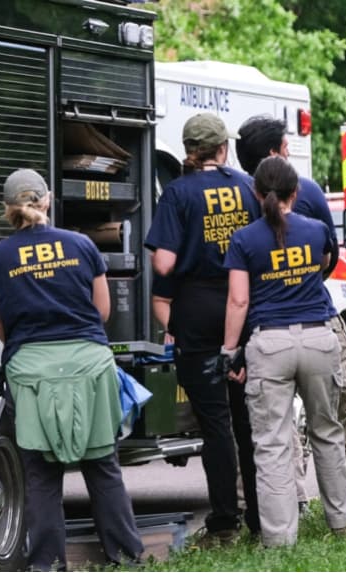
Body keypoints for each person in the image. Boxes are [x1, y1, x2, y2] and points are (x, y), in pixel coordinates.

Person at [0, 169, 143, 570]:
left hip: (32, 372)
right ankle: (125, 557)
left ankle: (47, 564)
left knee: (40, 473)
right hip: (88, 365)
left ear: (8, 208)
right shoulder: (82, 245)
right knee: (102, 465)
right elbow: (102, 311)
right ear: (47, 201)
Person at [236, 115, 346, 514]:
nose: (290, 151)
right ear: (273, 155)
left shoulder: (237, 198)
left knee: (269, 425)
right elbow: (327, 258)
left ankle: (284, 508)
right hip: (318, 320)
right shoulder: (308, 193)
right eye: (285, 146)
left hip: (260, 328)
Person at [222, 156, 346, 547]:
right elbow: (324, 265)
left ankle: (280, 538)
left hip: (270, 345)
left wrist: (230, 351)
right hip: (318, 338)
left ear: (256, 193)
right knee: (327, 432)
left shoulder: (245, 239)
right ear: (296, 194)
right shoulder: (316, 229)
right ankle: (343, 522)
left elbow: (238, 301)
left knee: (272, 443)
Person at [144, 112, 262, 544]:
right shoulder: (246, 187)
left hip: (195, 308)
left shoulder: (177, 192)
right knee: (247, 419)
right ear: (222, 149)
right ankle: (260, 517)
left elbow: (164, 262)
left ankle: (224, 520)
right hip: (242, 305)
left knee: (213, 423)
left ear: (189, 150)